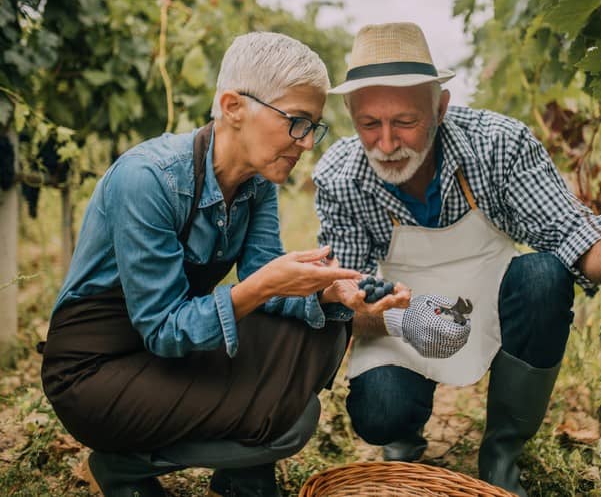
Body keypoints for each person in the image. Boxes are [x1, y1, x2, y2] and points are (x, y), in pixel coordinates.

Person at [39, 32, 414, 497]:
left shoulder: (258, 185)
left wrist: (327, 291)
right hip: (96, 370)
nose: (306, 143)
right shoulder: (149, 180)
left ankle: (240, 475)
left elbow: (262, 270)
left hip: (157, 355)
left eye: (313, 127)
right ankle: (123, 465)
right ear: (234, 107)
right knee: (287, 423)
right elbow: (164, 328)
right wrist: (263, 286)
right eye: (296, 122)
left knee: (317, 341)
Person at [312, 22, 601, 496]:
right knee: (379, 414)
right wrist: (393, 317)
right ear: (349, 113)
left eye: (405, 122)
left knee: (543, 275)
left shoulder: (497, 144)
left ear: (439, 108)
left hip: (490, 298)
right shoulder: (341, 175)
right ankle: (403, 436)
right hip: (402, 311)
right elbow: (346, 295)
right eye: (368, 124)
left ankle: (502, 454)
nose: (386, 142)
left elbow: (572, 231)